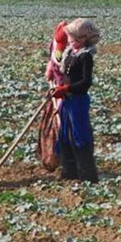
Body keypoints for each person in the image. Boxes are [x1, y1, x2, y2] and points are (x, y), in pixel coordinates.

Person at [54, 19, 99, 182]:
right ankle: (69, 173)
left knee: (79, 137)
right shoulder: (70, 53)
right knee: (65, 135)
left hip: (78, 101)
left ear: (81, 38)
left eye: (72, 37)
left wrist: (67, 89)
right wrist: (61, 89)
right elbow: (57, 59)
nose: (70, 39)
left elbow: (86, 82)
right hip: (67, 100)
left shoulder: (86, 56)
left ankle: (87, 176)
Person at [38, 21, 71, 171]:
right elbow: (52, 61)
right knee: (52, 123)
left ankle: (66, 160)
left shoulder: (74, 52)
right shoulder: (55, 46)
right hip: (55, 88)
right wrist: (50, 72)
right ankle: (52, 157)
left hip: (67, 92)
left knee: (64, 124)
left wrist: (65, 87)